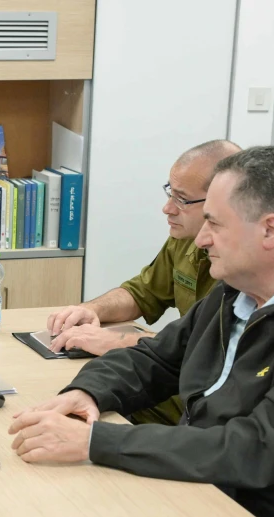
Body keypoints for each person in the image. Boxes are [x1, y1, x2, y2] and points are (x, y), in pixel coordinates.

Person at [10, 147, 274, 517]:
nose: (202, 237)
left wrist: (92, 442)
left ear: (270, 231)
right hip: (205, 496)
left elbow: (254, 448)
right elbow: (156, 358)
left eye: (213, 223)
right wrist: (85, 393)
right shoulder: (238, 290)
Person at [47, 139, 241, 425]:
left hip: (195, 405)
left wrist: (119, 342)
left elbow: (210, 353)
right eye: (169, 193)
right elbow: (144, 293)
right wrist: (93, 310)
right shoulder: (184, 240)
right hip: (167, 389)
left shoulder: (244, 268)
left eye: (182, 199)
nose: (167, 208)